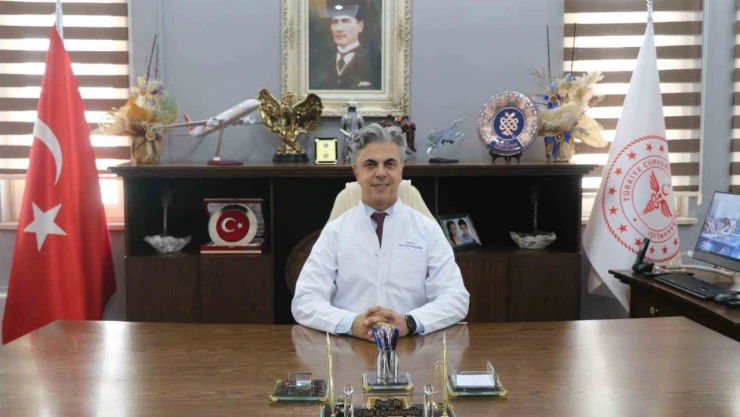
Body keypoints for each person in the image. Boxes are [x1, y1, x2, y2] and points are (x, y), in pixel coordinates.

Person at [291, 123, 470, 340]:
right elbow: (304, 301)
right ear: (356, 172)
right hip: (349, 346)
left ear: (401, 170)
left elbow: (456, 299)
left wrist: (409, 322)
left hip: (411, 346)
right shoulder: (335, 232)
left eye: (390, 164)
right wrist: (352, 323)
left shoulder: (427, 230)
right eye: (370, 164)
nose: (381, 173)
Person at [309, 0, 381, 90]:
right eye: (334, 22)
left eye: (345, 21)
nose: (339, 29)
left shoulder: (375, 61)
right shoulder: (319, 62)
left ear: (360, 26)